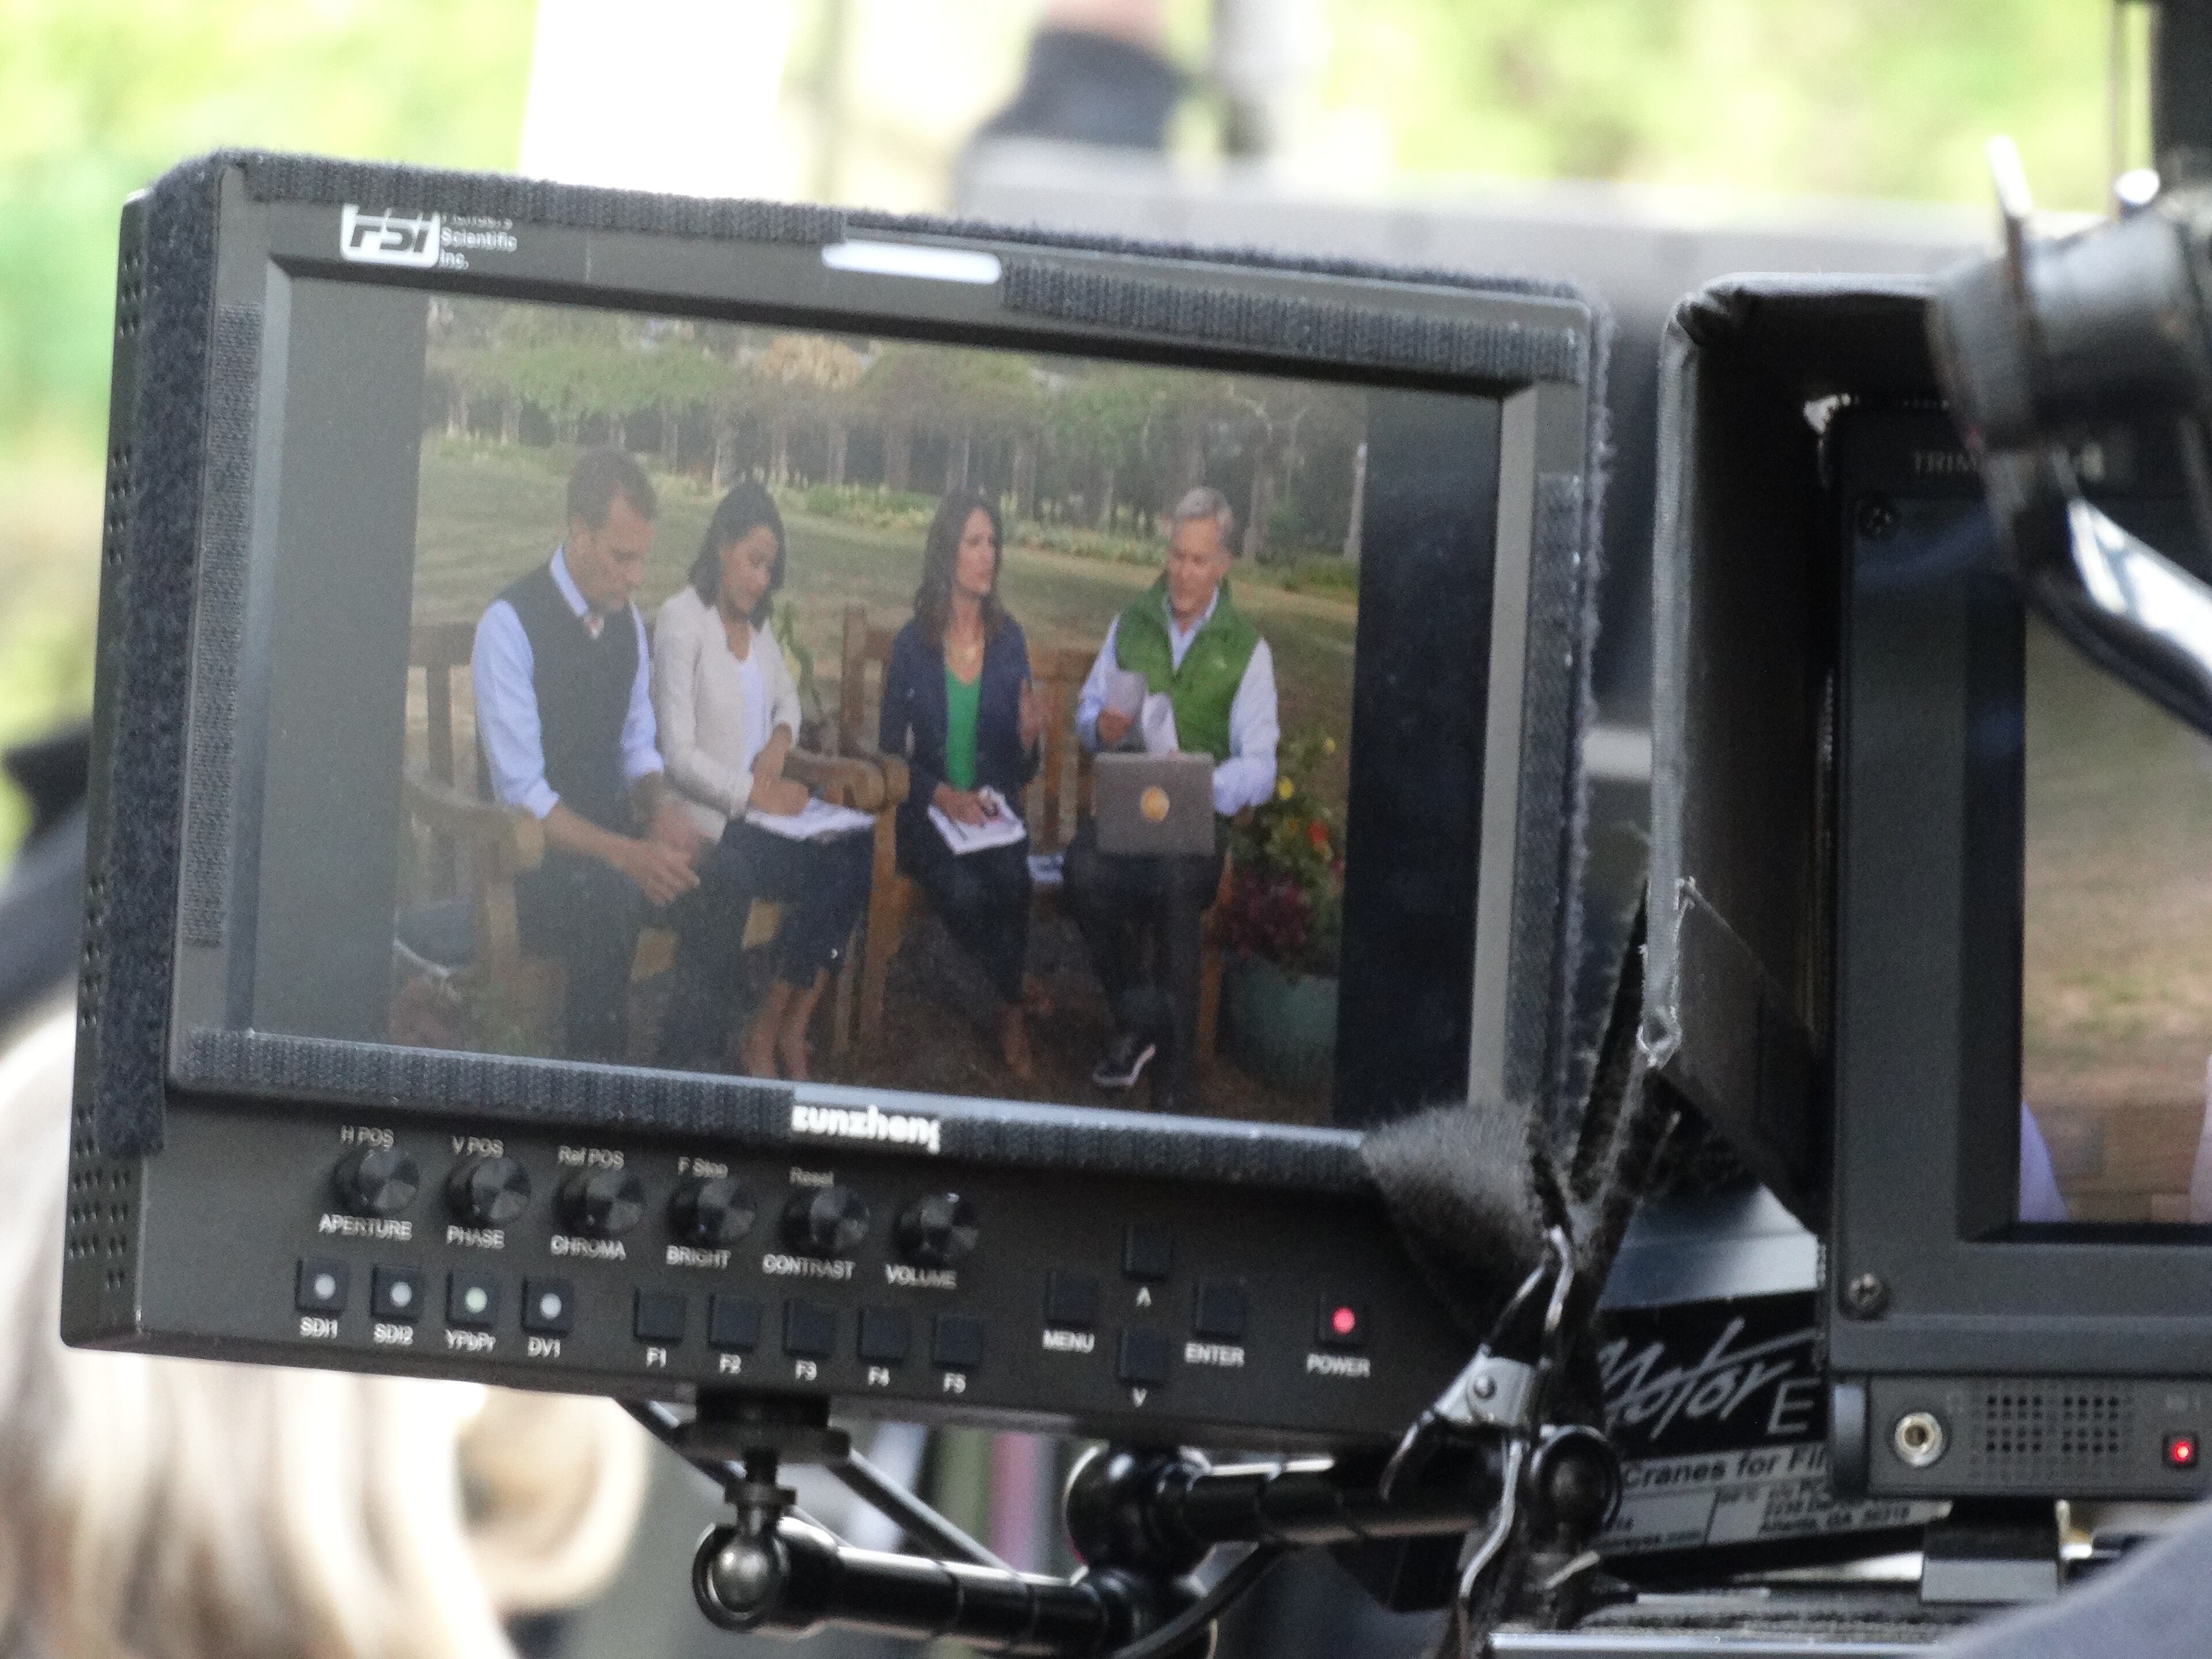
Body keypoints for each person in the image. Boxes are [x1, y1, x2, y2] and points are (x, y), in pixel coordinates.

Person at [471, 447, 703, 1063]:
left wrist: (659, 809)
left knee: (723, 880)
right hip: (531, 869)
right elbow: (525, 796)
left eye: (642, 559)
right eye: (621, 557)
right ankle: (595, 1095)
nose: (635, 579)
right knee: (615, 897)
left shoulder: (625, 625)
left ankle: (686, 1073)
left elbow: (636, 746)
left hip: (609, 852)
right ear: (578, 533)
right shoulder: (509, 625)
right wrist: (630, 855)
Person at [1066, 486, 1278, 1111]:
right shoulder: (1130, 623)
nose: (1183, 574)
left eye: (1199, 561)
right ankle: (1145, 1018)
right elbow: (1086, 712)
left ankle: (1174, 1088)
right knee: (1081, 870)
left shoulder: (1247, 649)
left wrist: (1204, 783)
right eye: (1177, 557)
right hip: (1131, 815)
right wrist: (1098, 726)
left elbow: (1262, 766)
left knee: (1175, 880)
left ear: (1224, 565)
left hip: (1195, 829)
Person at [652, 482, 873, 1080]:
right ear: (722, 545)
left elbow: (788, 705)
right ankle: (763, 1036)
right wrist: (757, 792)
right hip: (712, 827)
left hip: (761, 819)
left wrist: (778, 744)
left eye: (769, 569)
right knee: (826, 868)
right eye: (753, 561)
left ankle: (779, 1025)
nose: (759, 580)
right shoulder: (681, 622)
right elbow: (677, 753)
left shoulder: (760, 628)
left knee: (855, 850)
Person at [878, 490, 1047, 1081]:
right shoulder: (912, 644)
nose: (987, 555)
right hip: (928, 813)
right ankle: (1013, 996)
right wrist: (939, 794)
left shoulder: (1010, 641)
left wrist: (1027, 740)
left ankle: (1005, 1005)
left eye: (993, 543)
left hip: (993, 812)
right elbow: (887, 752)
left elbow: (1023, 770)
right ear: (947, 552)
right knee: (965, 891)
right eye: (974, 542)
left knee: (1010, 878)